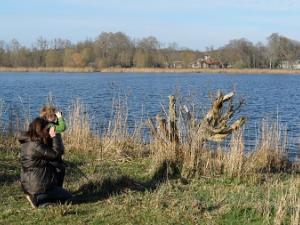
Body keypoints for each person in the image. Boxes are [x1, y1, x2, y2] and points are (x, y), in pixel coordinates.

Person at [19, 117, 72, 208]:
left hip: (29, 184)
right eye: (46, 129)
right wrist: (54, 136)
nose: (47, 131)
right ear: (40, 130)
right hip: (38, 186)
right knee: (69, 198)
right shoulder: (36, 145)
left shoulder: (28, 142)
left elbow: (51, 158)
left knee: (59, 167)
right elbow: (56, 154)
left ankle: (39, 196)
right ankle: (40, 201)